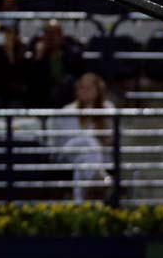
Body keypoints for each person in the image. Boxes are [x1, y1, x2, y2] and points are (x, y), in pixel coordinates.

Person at [48, 72, 115, 203]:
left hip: (96, 159)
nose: (84, 92)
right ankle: (99, 179)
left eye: (89, 88)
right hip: (70, 156)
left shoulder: (108, 109)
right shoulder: (68, 111)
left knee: (86, 155)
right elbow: (67, 142)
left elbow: (110, 140)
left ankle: (81, 199)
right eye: (81, 88)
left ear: (98, 91)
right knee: (88, 142)